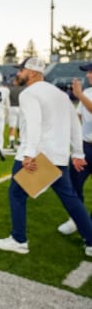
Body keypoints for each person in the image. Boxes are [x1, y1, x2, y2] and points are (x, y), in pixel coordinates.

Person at [0, 57, 92, 257]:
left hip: (38, 155)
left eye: (21, 70)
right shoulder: (60, 94)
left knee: (17, 194)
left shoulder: (29, 93)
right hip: (58, 155)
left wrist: (29, 154)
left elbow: (34, 123)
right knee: (71, 199)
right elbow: (75, 124)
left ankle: (19, 240)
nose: (18, 74)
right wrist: (78, 153)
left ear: (32, 72)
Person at [58, 63, 92, 235]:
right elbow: (78, 117)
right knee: (74, 185)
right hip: (86, 146)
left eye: (90, 72)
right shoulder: (87, 93)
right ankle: (76, 219)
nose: (87, 76)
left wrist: (78, 95)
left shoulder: (83, 94)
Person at [7, 77, 25, 150]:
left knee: (12, 126)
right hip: (20, 108)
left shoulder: (10, 89)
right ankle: (20, 140)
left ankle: (11, 140)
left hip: (12, 107)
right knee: (20, 126)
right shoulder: (23, 89)